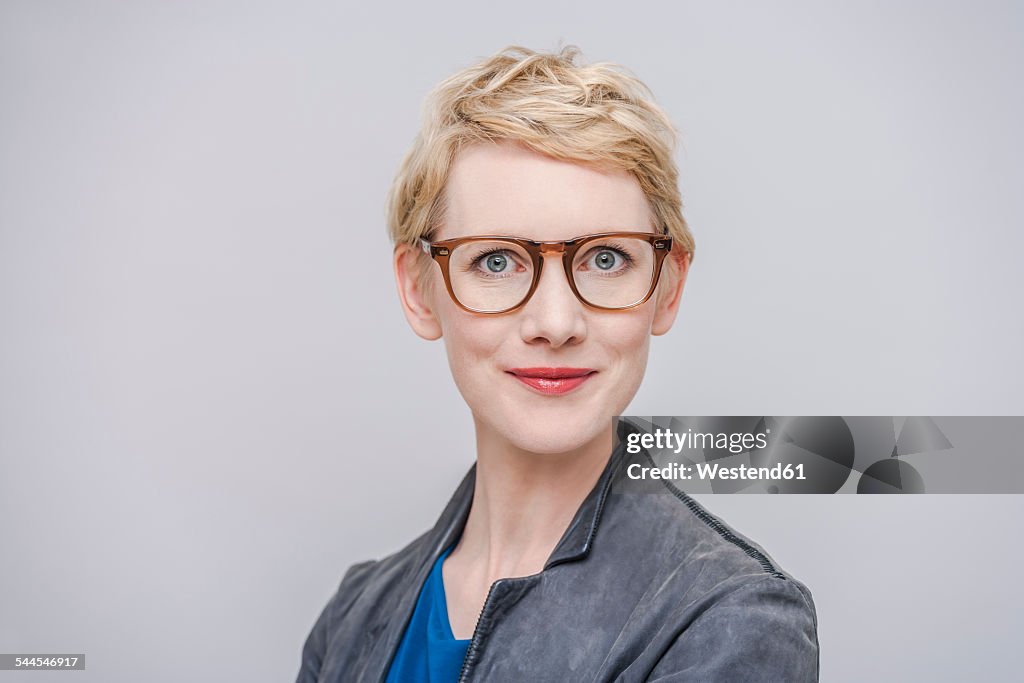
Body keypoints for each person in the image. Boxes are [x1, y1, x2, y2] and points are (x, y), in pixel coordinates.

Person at [296, 44, 819, 682]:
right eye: (496, 261)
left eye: (606, 259)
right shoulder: (352, 617)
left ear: (668, 287)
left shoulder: (728, 621)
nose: (555, 324)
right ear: (418, 288)